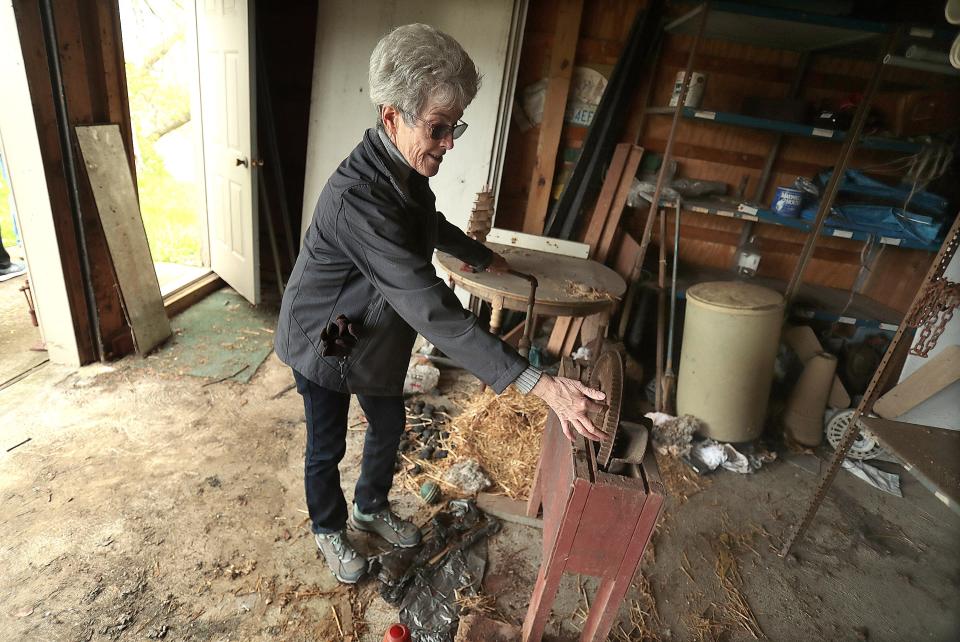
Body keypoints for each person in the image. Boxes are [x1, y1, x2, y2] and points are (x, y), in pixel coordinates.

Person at [275, 23, 607, 584]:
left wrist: (480, 254)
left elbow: (427, 224)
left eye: (455, 127)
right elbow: (428, 306)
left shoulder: (404, 171)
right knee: (325, 445)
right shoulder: (357, 198)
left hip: (369, 331)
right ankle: (330, 528)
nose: (449, 143)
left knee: (387, 424)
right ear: (391, 117)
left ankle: (370, 506)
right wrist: (540, 383)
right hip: (324, 337)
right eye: (437, 128)